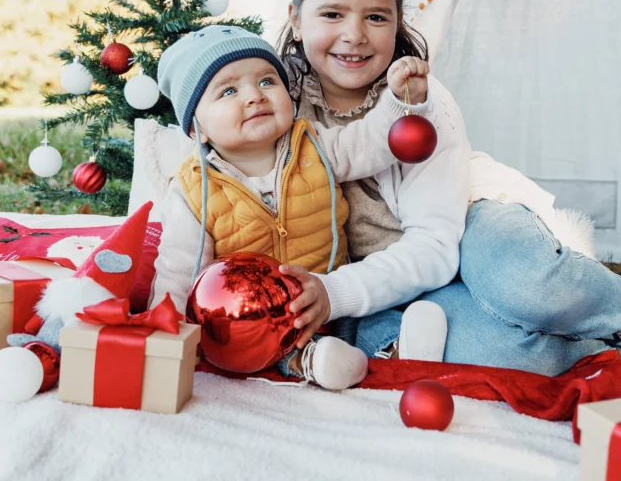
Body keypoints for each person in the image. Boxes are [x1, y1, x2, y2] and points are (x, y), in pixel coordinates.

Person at [276, 0, 621, 376]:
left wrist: (336, 292)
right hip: (392, 280)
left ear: (397, 22)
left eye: (376, 17)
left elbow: (435, 245)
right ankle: (593, 348)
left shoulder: (418, 103)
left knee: (525, 285)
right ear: (296, 19)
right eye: (332, 14)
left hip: (469, 225)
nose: (354, 35)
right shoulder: (277, 109)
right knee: (507, 358)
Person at [148, 25, 434, 389]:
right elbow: (177, 271)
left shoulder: (314, 145)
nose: (254, 96)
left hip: (328, 293)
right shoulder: (194, 190)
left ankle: (397, 346)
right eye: (230, 90)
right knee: (254, 347)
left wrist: (399, 99)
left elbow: (371, 142)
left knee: (373, 317)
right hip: (253, 321)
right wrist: (165, 338)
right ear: (196, 129)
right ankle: (310, 361)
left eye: (267, 81)